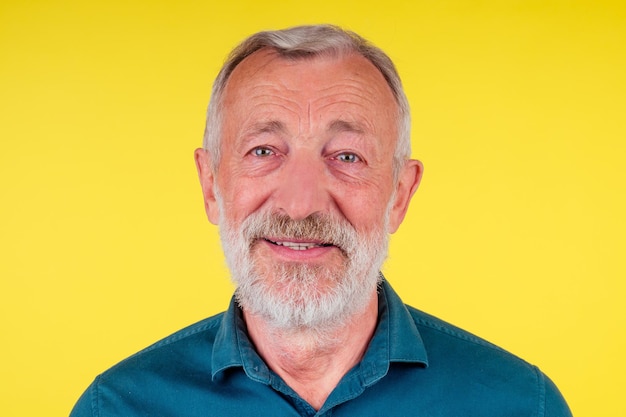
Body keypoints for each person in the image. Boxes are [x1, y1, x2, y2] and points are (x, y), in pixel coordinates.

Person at [70, 25, 572, 416]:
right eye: (264, 150)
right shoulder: (115, 408)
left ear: (399, 194)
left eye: (347, 156)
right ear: (210, 186)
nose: (300, 204)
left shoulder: (523, 405)